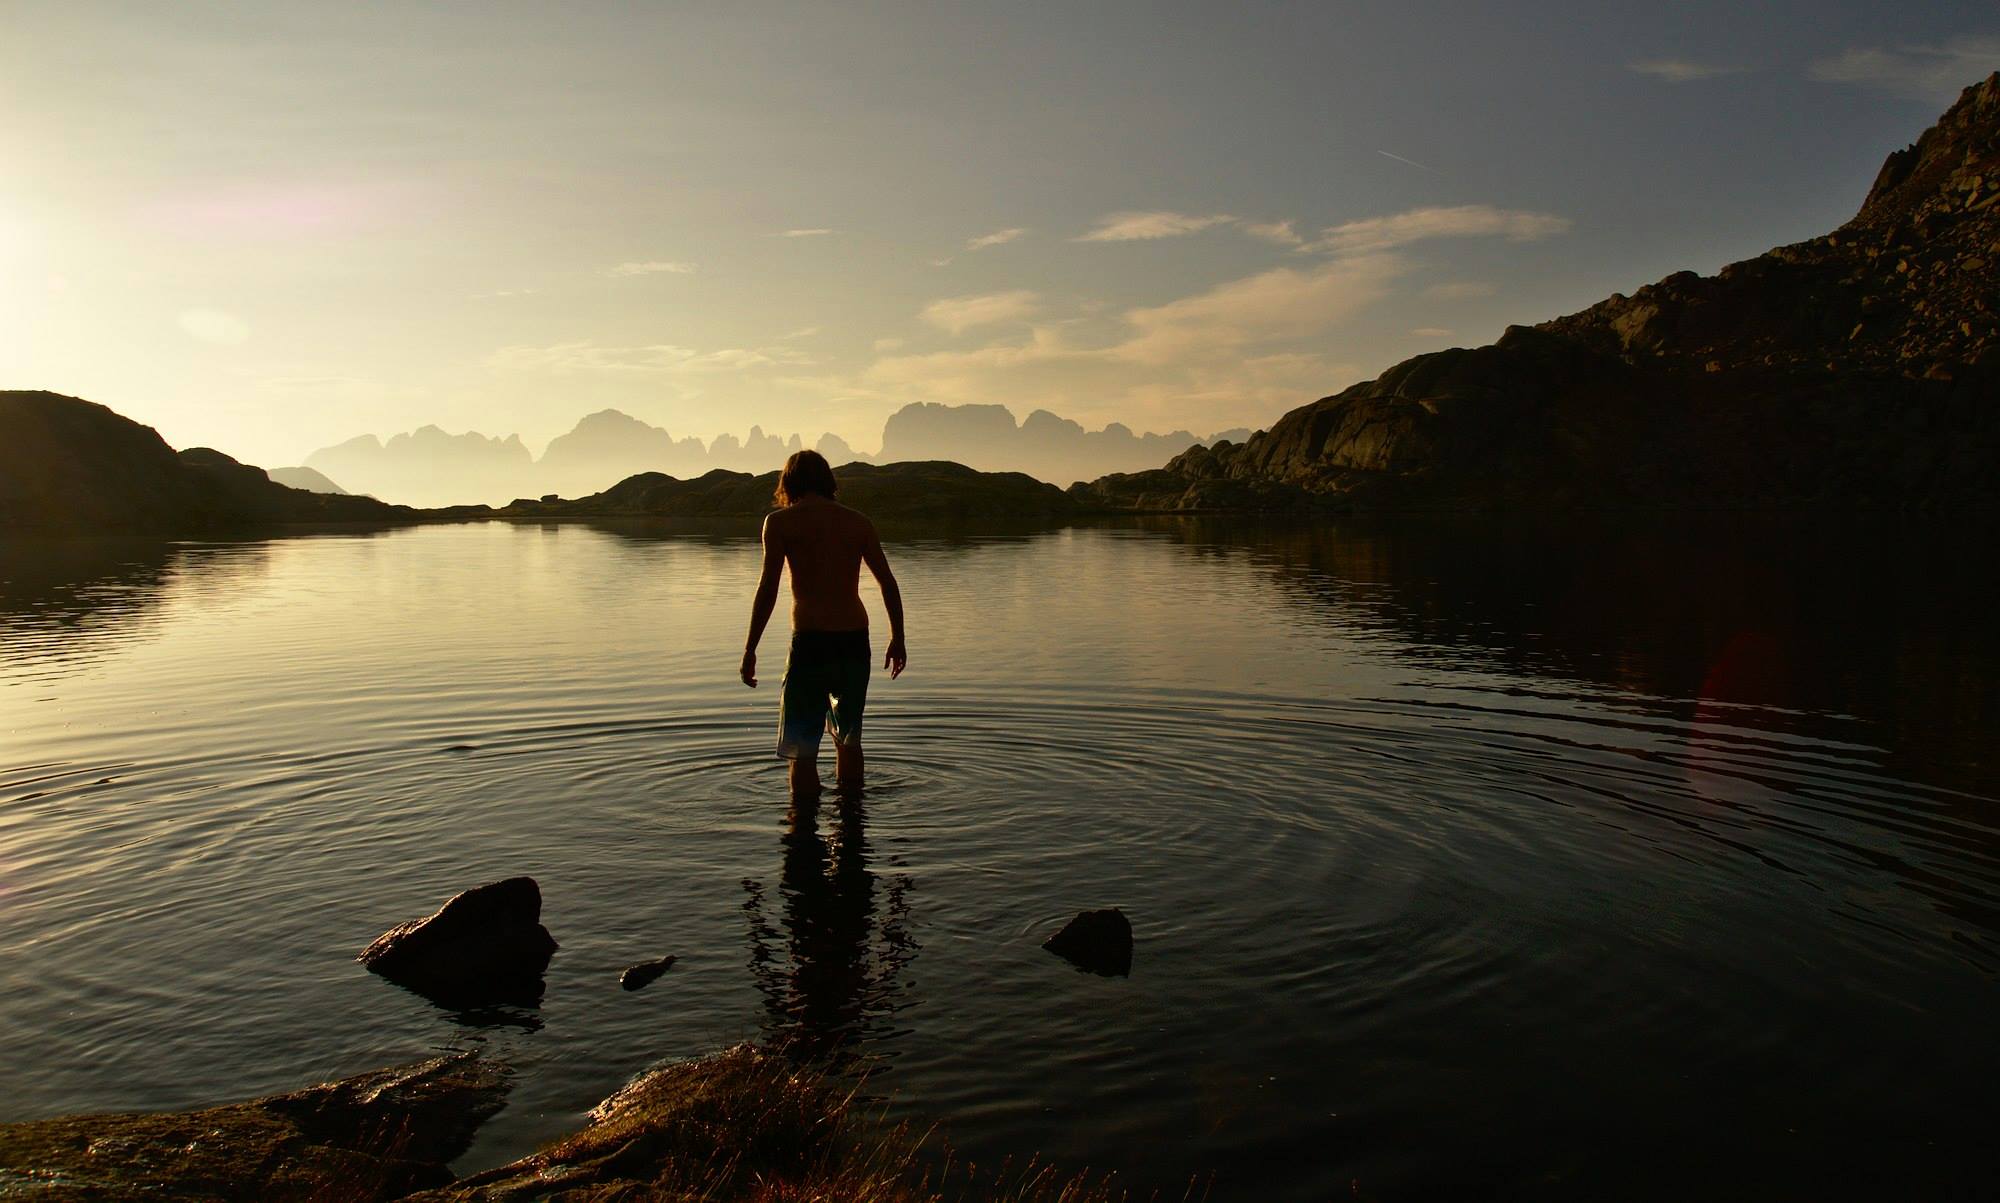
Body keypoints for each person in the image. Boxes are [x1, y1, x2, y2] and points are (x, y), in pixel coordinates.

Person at [741, 450, 906, 799]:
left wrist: (750, 649)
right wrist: (898, 638)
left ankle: (801, 823)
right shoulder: (858, 522)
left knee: (802, 750)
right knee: (849, 740)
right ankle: (852, 816)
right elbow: (888, 583)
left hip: (810, 642)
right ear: (828, 481)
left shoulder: (780, 523)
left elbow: (768, 588)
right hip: (854, 640)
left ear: (789, 482)